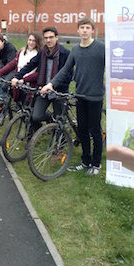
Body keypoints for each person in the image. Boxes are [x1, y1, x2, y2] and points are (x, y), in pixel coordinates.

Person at [41, 17, 106, 176]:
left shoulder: (101, 47)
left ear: (92, 30)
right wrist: (51, 84)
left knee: (95, 131)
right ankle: (85, 161)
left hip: (95, 96)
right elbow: (65, 70)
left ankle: (96, 164)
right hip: (80, 95)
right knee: (82, 130)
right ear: (78, 30)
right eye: (82, 27)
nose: (84, 30)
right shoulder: (75, 49)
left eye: (87, 27)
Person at [11, 27, 71, 131]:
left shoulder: (65, 53)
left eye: (51, 37)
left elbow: (69, 75)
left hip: (58, 91)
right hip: (43, 89)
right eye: (46, 38)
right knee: (36, 116)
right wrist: (17, 76)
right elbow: (31, 65)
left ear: (57, 37)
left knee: (60, 120)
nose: (48, 40)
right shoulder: (43, 52)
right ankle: (50, 120)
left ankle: (60, 142)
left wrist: (54, 85)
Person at [0, 32, 42, 101]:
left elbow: (38, 73)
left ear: (38, 42)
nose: (31, 42)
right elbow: (12, 64)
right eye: (29, 40)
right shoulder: (22, 52)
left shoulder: (39, 54)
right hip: (18, 81)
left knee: (27, 105)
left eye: (34, 41)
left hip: (30, 84)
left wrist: (24, 80)